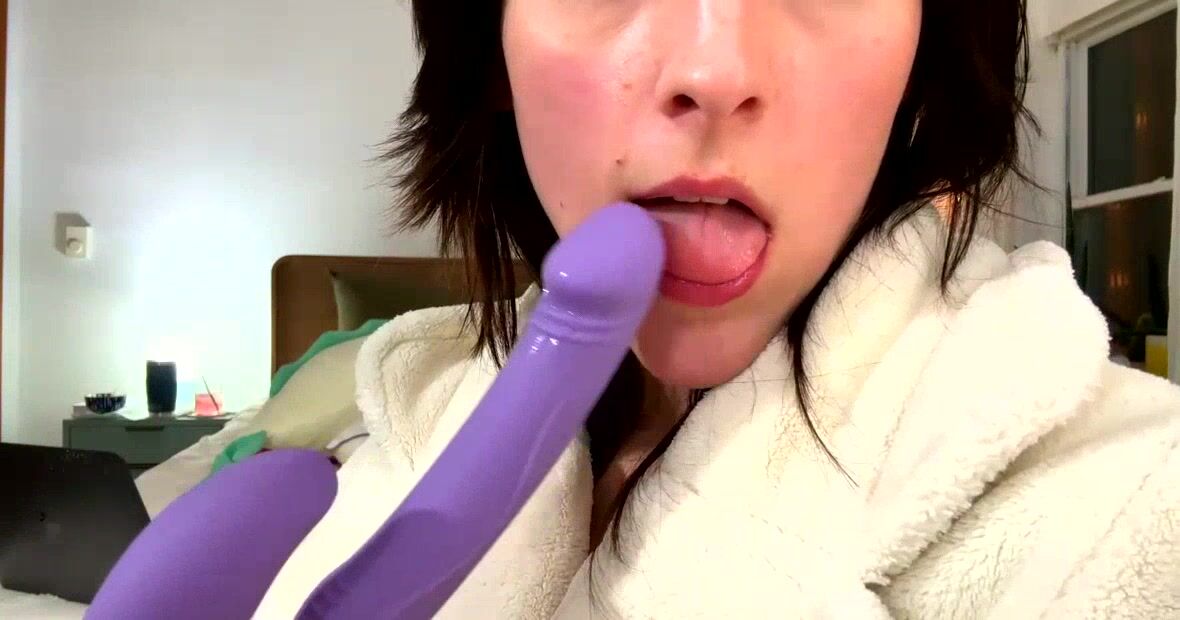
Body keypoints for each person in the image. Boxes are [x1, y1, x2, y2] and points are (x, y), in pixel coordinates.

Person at [255, 1, 1180, 617]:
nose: (713, 69)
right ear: (491, 49)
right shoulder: (393, 445)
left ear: (925, 55)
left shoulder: (1133, 503)